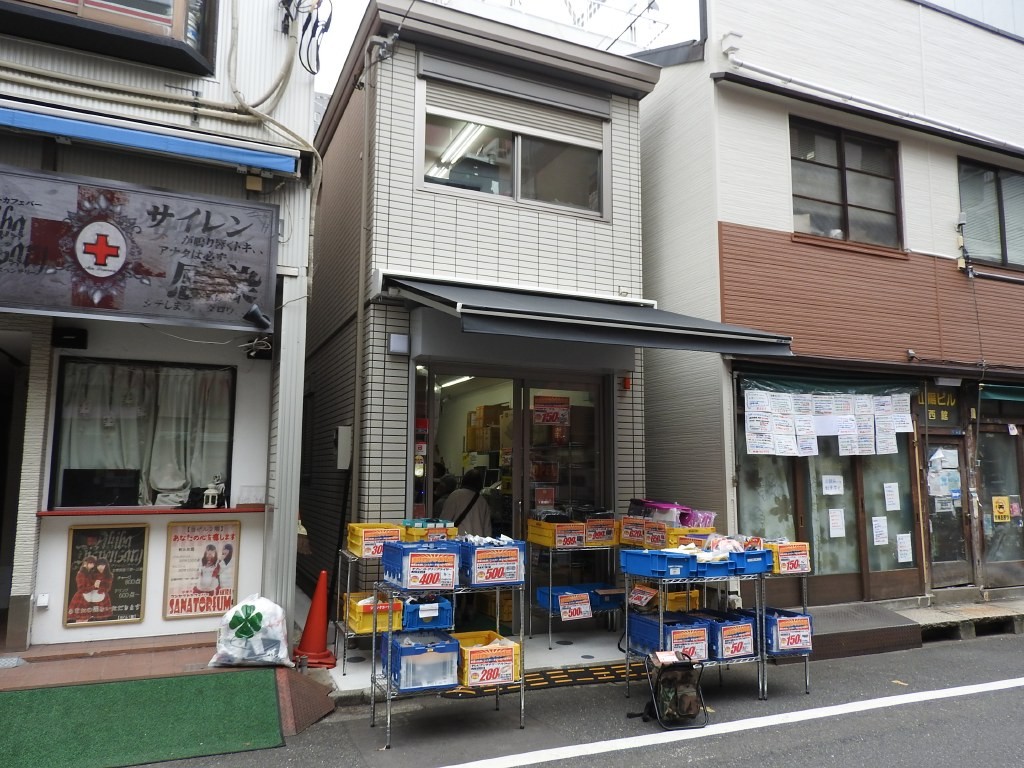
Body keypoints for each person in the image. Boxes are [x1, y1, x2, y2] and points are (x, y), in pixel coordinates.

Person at [442, 468, 491, 538]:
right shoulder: (483, 501)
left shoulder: (455, 495)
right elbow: (487, 531)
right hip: (477, 541)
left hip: (457, 540)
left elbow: (444, 520)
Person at [66, 555, 98, 624]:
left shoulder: (88, 573)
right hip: (81, 598)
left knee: (84, 619)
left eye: (93, 563)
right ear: (85, 563)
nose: (92, 565)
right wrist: (94, 586)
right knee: (81, 619)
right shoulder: (81, 574)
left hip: (87, 598)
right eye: (90, 563)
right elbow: (82, 589)